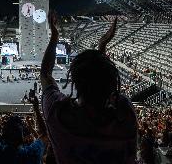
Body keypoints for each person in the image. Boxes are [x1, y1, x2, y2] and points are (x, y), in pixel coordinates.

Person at [40, 13, 137, 163]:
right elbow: (104, 80)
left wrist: (54, 36)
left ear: (75, 82)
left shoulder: (60, 116)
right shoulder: (125, 113)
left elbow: (45, 74)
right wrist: (102, 47)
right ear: (111, 82)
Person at [0, 79, 46, 163]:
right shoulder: (32, 153)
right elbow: (44, 133)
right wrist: (37, 109)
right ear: (22, 137)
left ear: (4, 135)